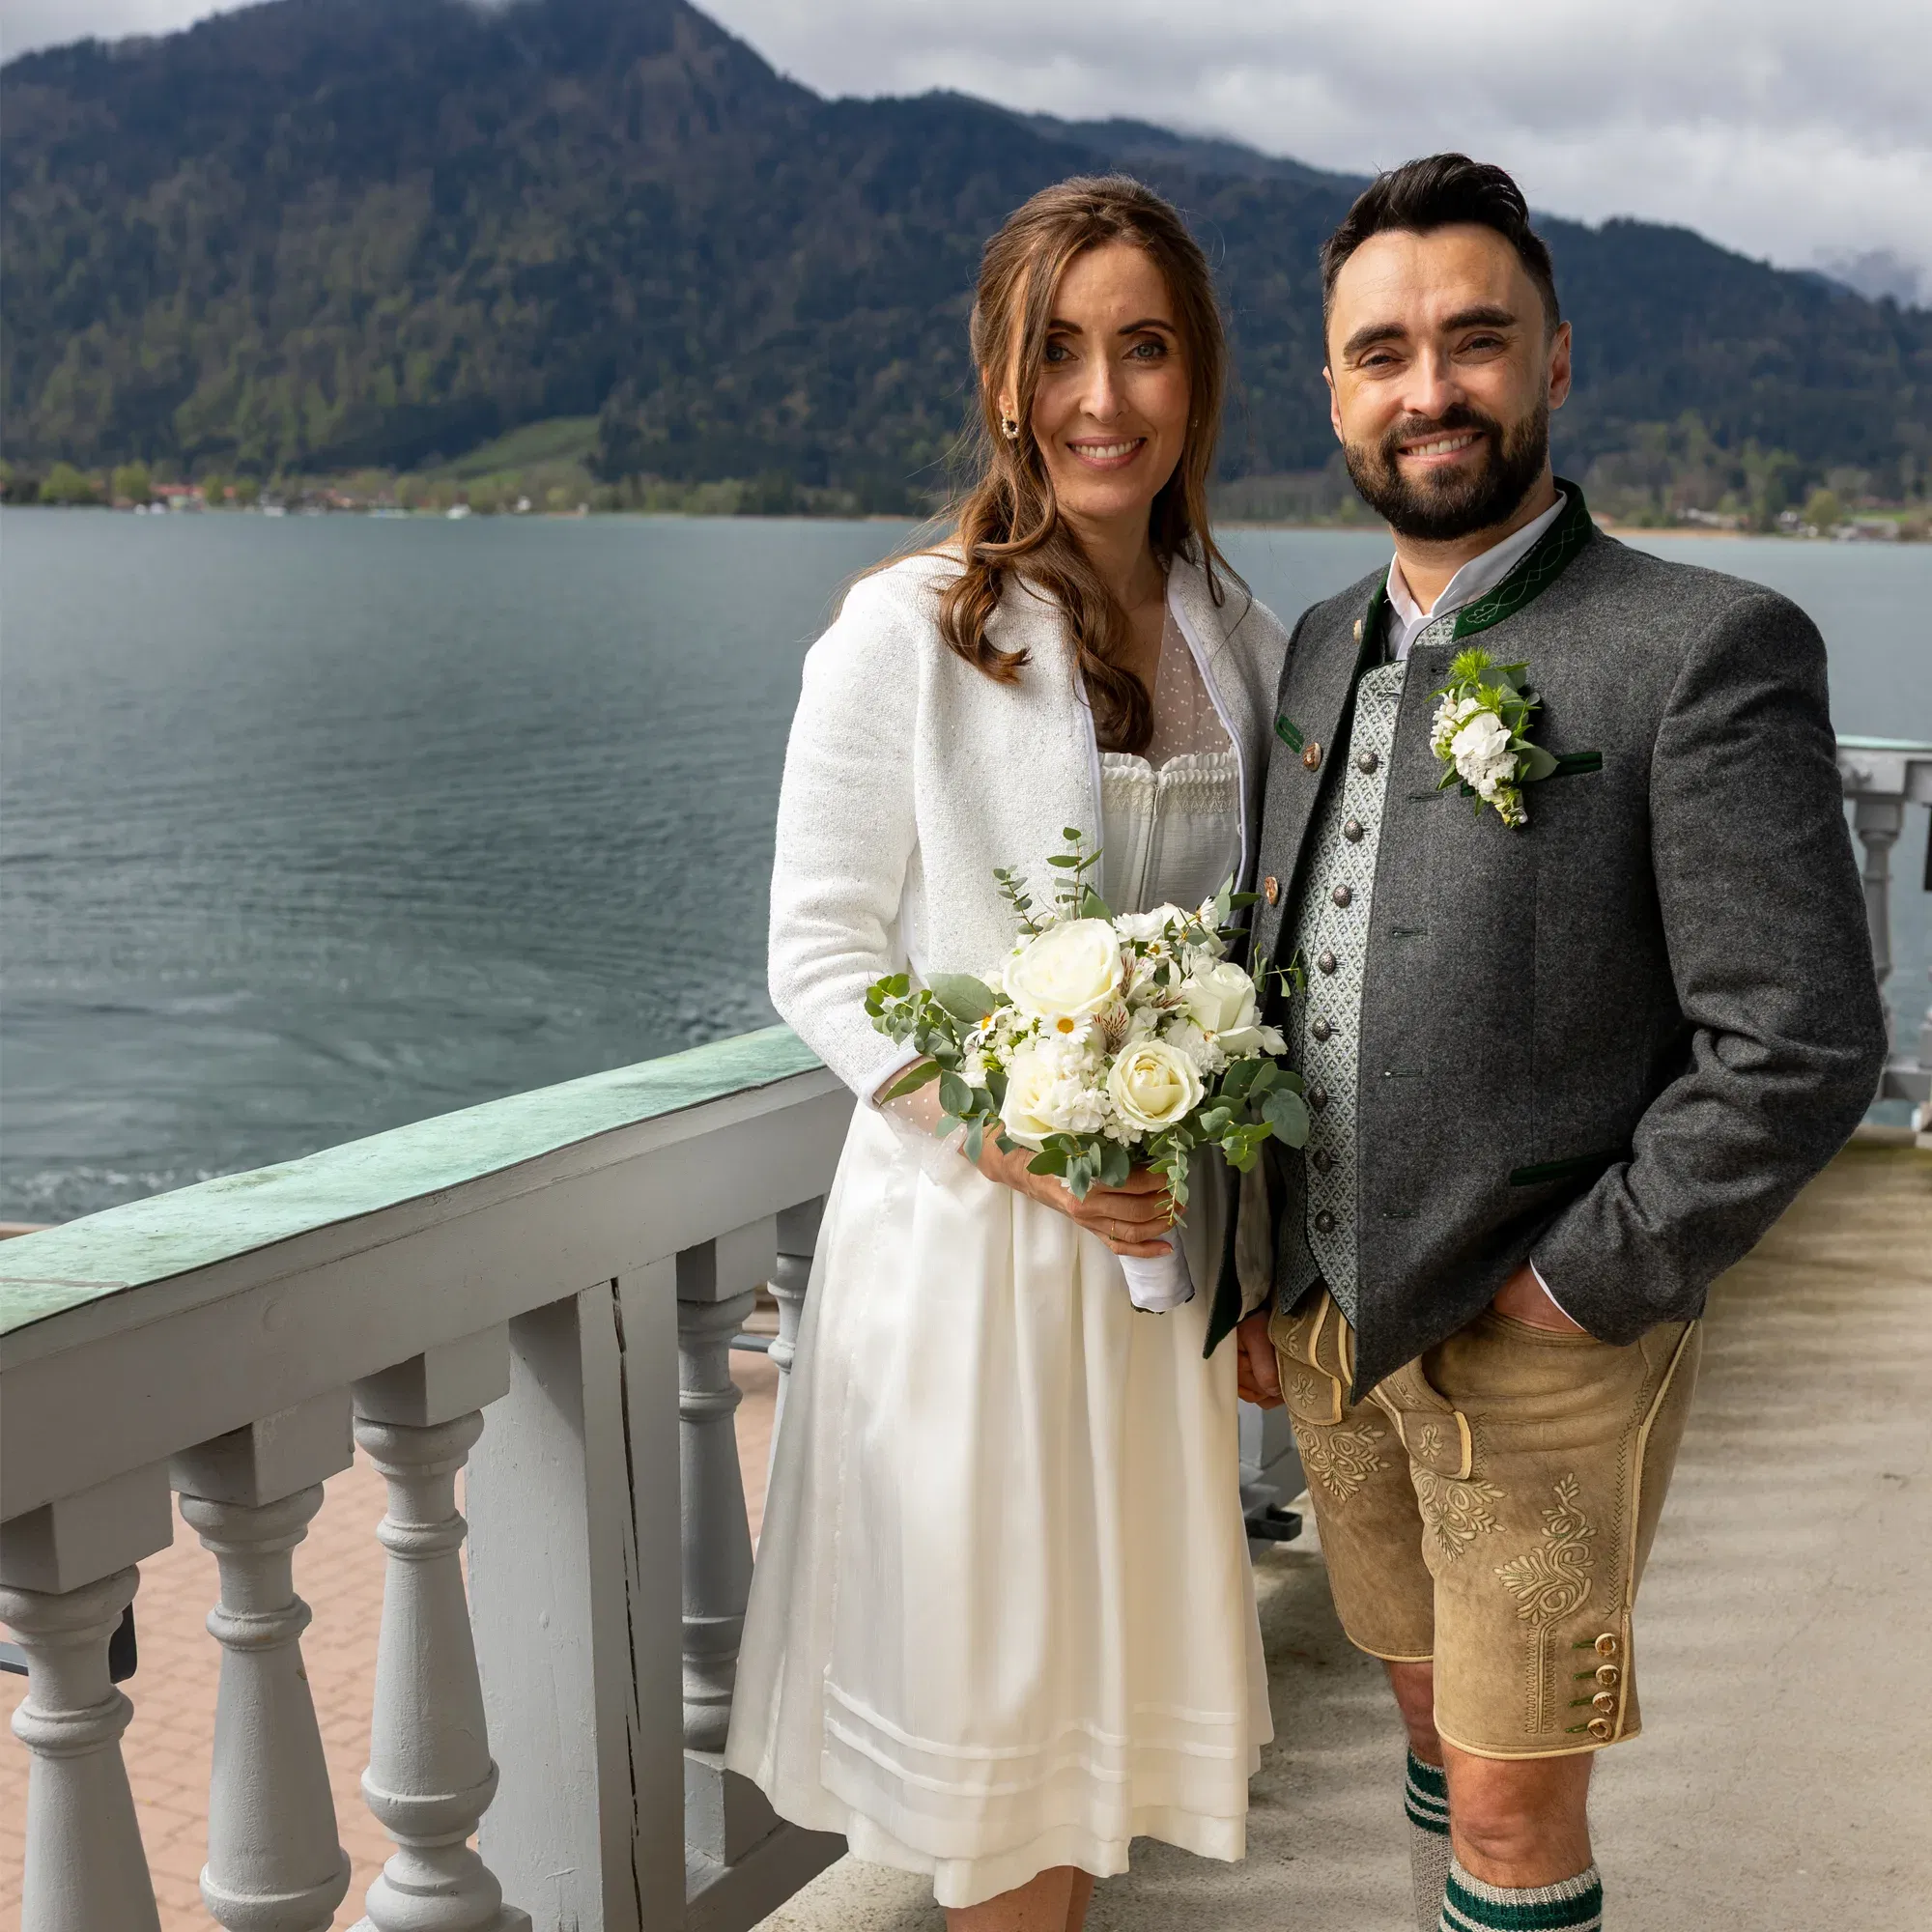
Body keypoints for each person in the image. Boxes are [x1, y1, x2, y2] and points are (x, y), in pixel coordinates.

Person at [1216, 154, 1888, 1932]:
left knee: (1520, 1819)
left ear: (1556, 360)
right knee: (1428, 1716)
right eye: (1382, 354)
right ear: (1335, 391)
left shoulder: (1703, 644)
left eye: (1472, 340)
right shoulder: (1312, 648)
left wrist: (1583, 1283)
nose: (1427, 388)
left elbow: (1803, 1043)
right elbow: (1288, 964)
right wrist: (1259, 1276)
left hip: (1544, 1337)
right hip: (1337, 1318)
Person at [727, 176, 1293, 1931]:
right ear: (1001, 378)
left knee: (1087, 1762)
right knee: (993, 1782)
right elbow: (818, 954)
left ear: (1196, 380)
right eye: (1059, 351)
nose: (1100, 399)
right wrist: (1007, 1137)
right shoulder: (909, 628)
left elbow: (1263, 957)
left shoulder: (1242, 635)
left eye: (1143, 349)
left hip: (1147, 1280)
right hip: (973, 1267)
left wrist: (1249, 1245)